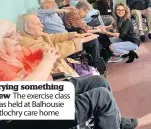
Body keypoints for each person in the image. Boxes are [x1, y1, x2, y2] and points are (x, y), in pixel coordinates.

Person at [0, 20, 138, 129]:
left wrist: (52, 53)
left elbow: (47, 50)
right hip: (36, 115)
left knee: (99, 81)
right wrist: (47, 63)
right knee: (102, 96)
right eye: (12, 35)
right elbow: (23, 92)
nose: (18, 37)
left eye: (16, 33)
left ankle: (115, 121)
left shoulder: (17, 51)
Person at [16, 13, 107, 75]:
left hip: (62, 63)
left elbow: (53, 38)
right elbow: (54, 50)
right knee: (96, 77)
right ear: (26, 29)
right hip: (57, 71)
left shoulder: (36, 35)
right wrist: (80, 41)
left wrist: (76, 35)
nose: (42, 26)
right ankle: (96, 66)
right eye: (37, 24)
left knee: (92, 40)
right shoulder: (28, 44)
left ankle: (96, 64)